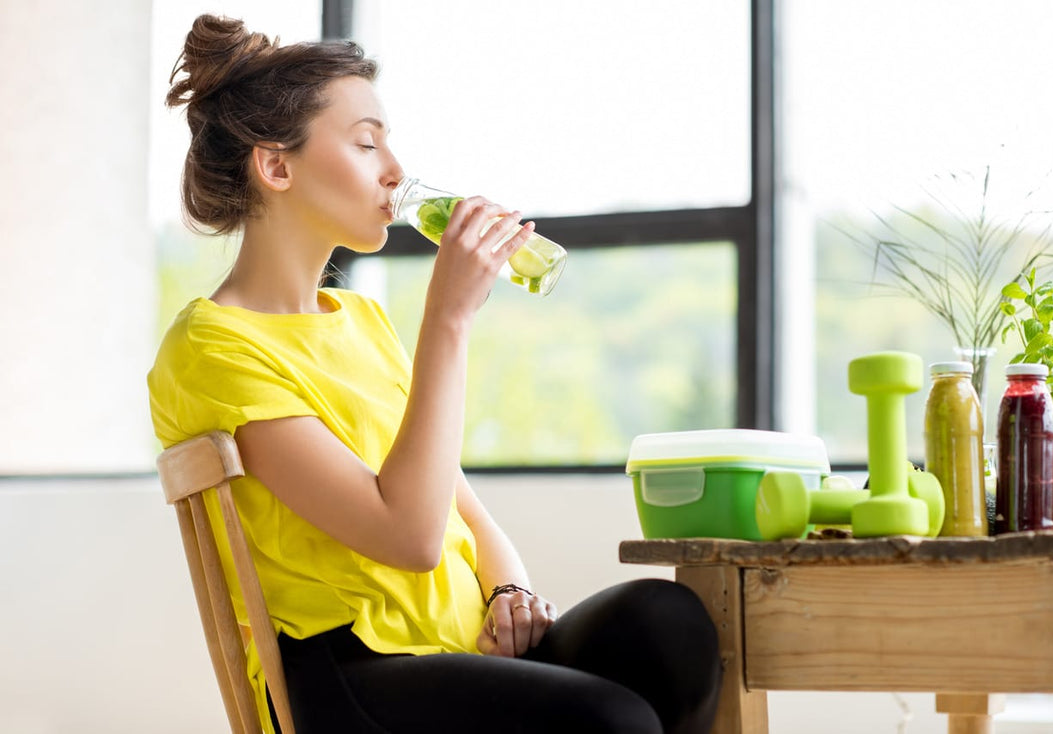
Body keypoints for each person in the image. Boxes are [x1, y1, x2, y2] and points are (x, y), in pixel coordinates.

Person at [148, 14, 721, 734]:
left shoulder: (358, 320)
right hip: (347, 677)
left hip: (457, 649)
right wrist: (448, 320)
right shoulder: (212, 348)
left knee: (668, 623)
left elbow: (466, 517)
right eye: (365, 142)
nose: (394, 170)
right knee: (610, 718)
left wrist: (509, 590)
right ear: (277, 166)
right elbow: (410, 537)